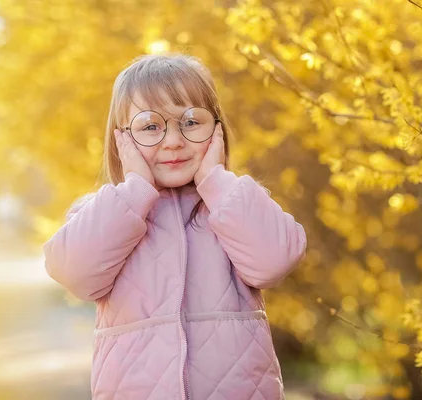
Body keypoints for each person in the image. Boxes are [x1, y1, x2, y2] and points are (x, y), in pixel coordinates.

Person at [43, 53, 307, 400]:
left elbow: (275, 261)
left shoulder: (232, 204)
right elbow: (73, 273)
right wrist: (135, 190)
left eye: (191, 122)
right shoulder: (107, 213)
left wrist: (215, 179)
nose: (172, 141)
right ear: (122, 140)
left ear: (216, 130)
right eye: (150, 126)